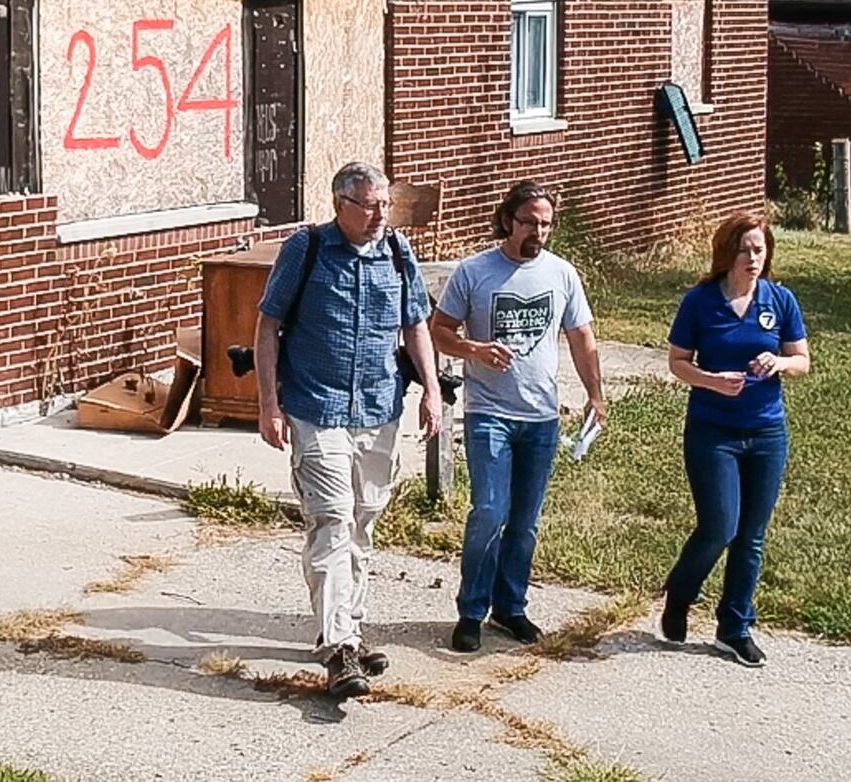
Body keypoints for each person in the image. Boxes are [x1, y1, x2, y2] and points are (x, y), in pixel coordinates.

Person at [254, 162, 442, 699]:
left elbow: (415, 325)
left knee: (363, 520)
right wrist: (269, 403)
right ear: (340, 204)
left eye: (384, 203)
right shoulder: (306, 250)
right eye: (368, 205)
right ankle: (337, 647)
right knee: (332, 519)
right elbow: (268, 326)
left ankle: (350, 632)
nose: (379, 214)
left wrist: (430, 390)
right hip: (317, 407)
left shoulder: (397, 252)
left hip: (380, 409)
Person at [429, 181, 604, 653]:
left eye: (546, 224)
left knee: (525, 521)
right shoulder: (475, 272)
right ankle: (471, 610)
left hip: (541, 417)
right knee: (489, 510)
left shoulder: (562, 275)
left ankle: (511, 607)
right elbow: (438, 331)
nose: (538, 232)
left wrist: (595, 394)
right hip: (489, 412)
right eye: (529, 222)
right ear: (508, 220)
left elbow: (581, 337)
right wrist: (475, 350)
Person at [659, 213, 810, 668]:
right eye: (744, 250)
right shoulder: (700, 301)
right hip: (712, 430)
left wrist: (779, 364)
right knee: (719, 526)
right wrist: (708, 379)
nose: (753, 259)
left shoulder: (779, 300)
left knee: (752, 536)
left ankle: (735, 626)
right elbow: (677, 362)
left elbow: (801, 359)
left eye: (760, 250)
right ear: (726, 252)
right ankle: (680, 594)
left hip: (766, 431)